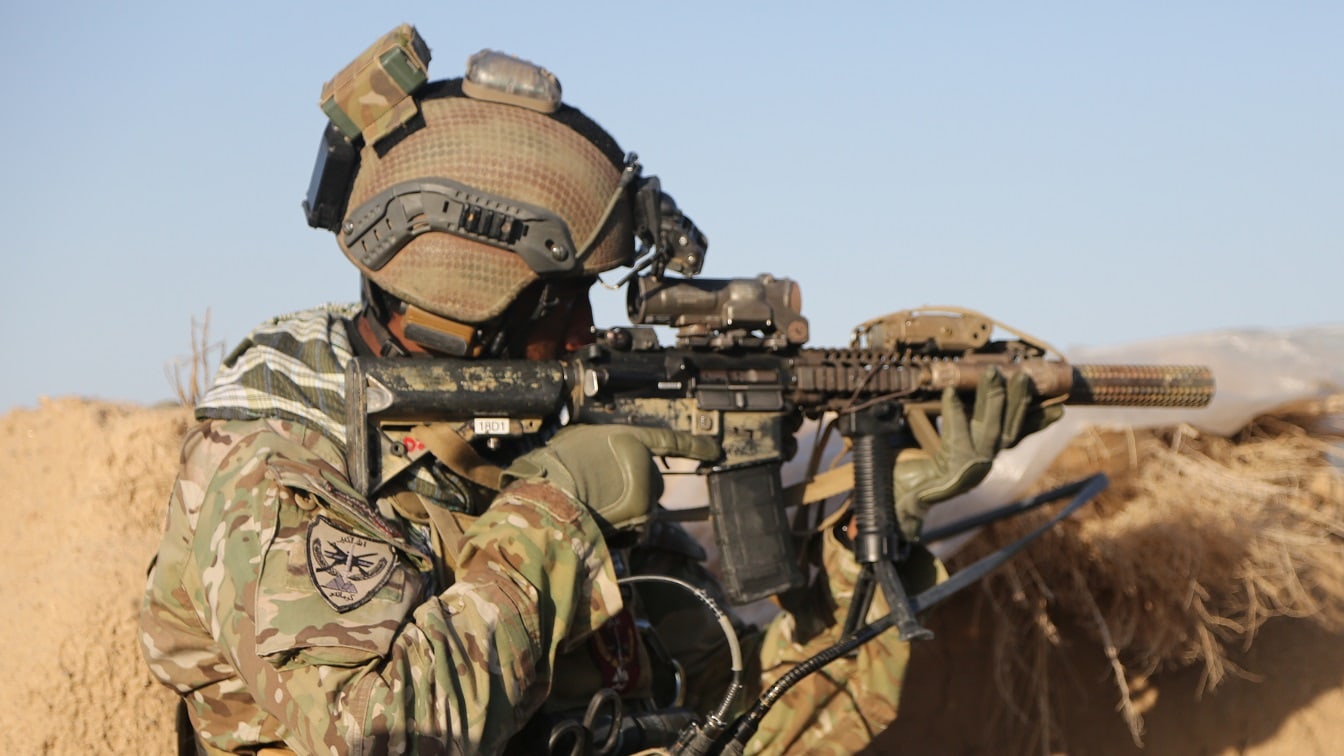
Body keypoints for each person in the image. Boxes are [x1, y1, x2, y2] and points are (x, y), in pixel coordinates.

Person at [140, 25, 1055, 755]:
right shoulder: (284, 464)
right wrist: (556, 508)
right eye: (569, 299)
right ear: (479, 306)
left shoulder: (518, 451)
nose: (590, 332)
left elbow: (741, 718)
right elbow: (381, 733)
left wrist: (873, 538)